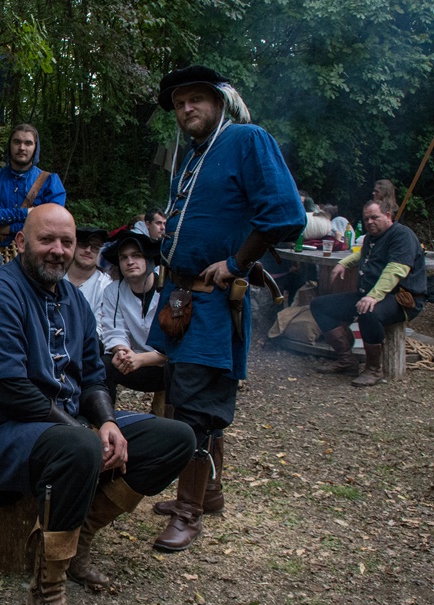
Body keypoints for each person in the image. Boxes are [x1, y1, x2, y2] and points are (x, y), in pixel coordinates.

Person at [0, 203, 194, 605]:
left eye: (67, 241)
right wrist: (87, 433)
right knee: (79, 447)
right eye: (47, 240)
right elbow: (9, 390)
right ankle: (46, 596)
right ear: (21, 242)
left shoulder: (74, 300)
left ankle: (80, 535)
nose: (59, 250)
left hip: (64, 428)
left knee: (175, 439)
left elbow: (92, 377)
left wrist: (105, 421)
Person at [146, 65, 306, 551]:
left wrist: (237, 262)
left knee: (196, 407)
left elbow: (285, 213)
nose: (185, 108)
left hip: (213, 301)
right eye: (178, 104)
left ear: (219, 102)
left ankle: (189, 511)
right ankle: (208, 490)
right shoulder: (193, 156)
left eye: (195, 99)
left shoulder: (247, 139)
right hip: (179, 297)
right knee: (183, 393)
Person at [309, 199, 425, 386]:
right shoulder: (373, 236)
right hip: (371, 295)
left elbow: (396, 269)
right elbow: (363, 253)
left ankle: (373, 369)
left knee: (368, 311)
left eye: (374, 217)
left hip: (402, 299)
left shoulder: (402, 235)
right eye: (366, 219)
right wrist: (343, 263)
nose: (369, 222)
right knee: (320, 305)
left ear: (388, 216)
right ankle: (347, 360)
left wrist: (373, 296)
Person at [0, 124, 66, 256]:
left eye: (28, 143)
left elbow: (51, 223)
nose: (22, 148)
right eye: (17, 142)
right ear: (10, 145)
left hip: (34, 255)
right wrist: (26, 213)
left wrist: (8, 228)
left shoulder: (50, 182)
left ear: (35, 147)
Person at [99, 231, 167, 403]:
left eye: (136, 255)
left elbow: (176, 346)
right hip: (132, 363)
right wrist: (122, 351)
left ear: (149, 259)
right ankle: (106, 420)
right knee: (104, 364)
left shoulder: (168, 290)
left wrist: (142, 359)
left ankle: (183, 426)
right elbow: (114, 330)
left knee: (183, 367)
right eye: (123, 258)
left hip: (167, 368)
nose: (129, 262)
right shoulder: (113, 291)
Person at [64, 227, 110, 328]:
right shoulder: (56, 275)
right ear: (74, 246)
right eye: (83, 244)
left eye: (95, 247)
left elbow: (99, 327)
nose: (88, 250)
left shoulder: (105, 286)